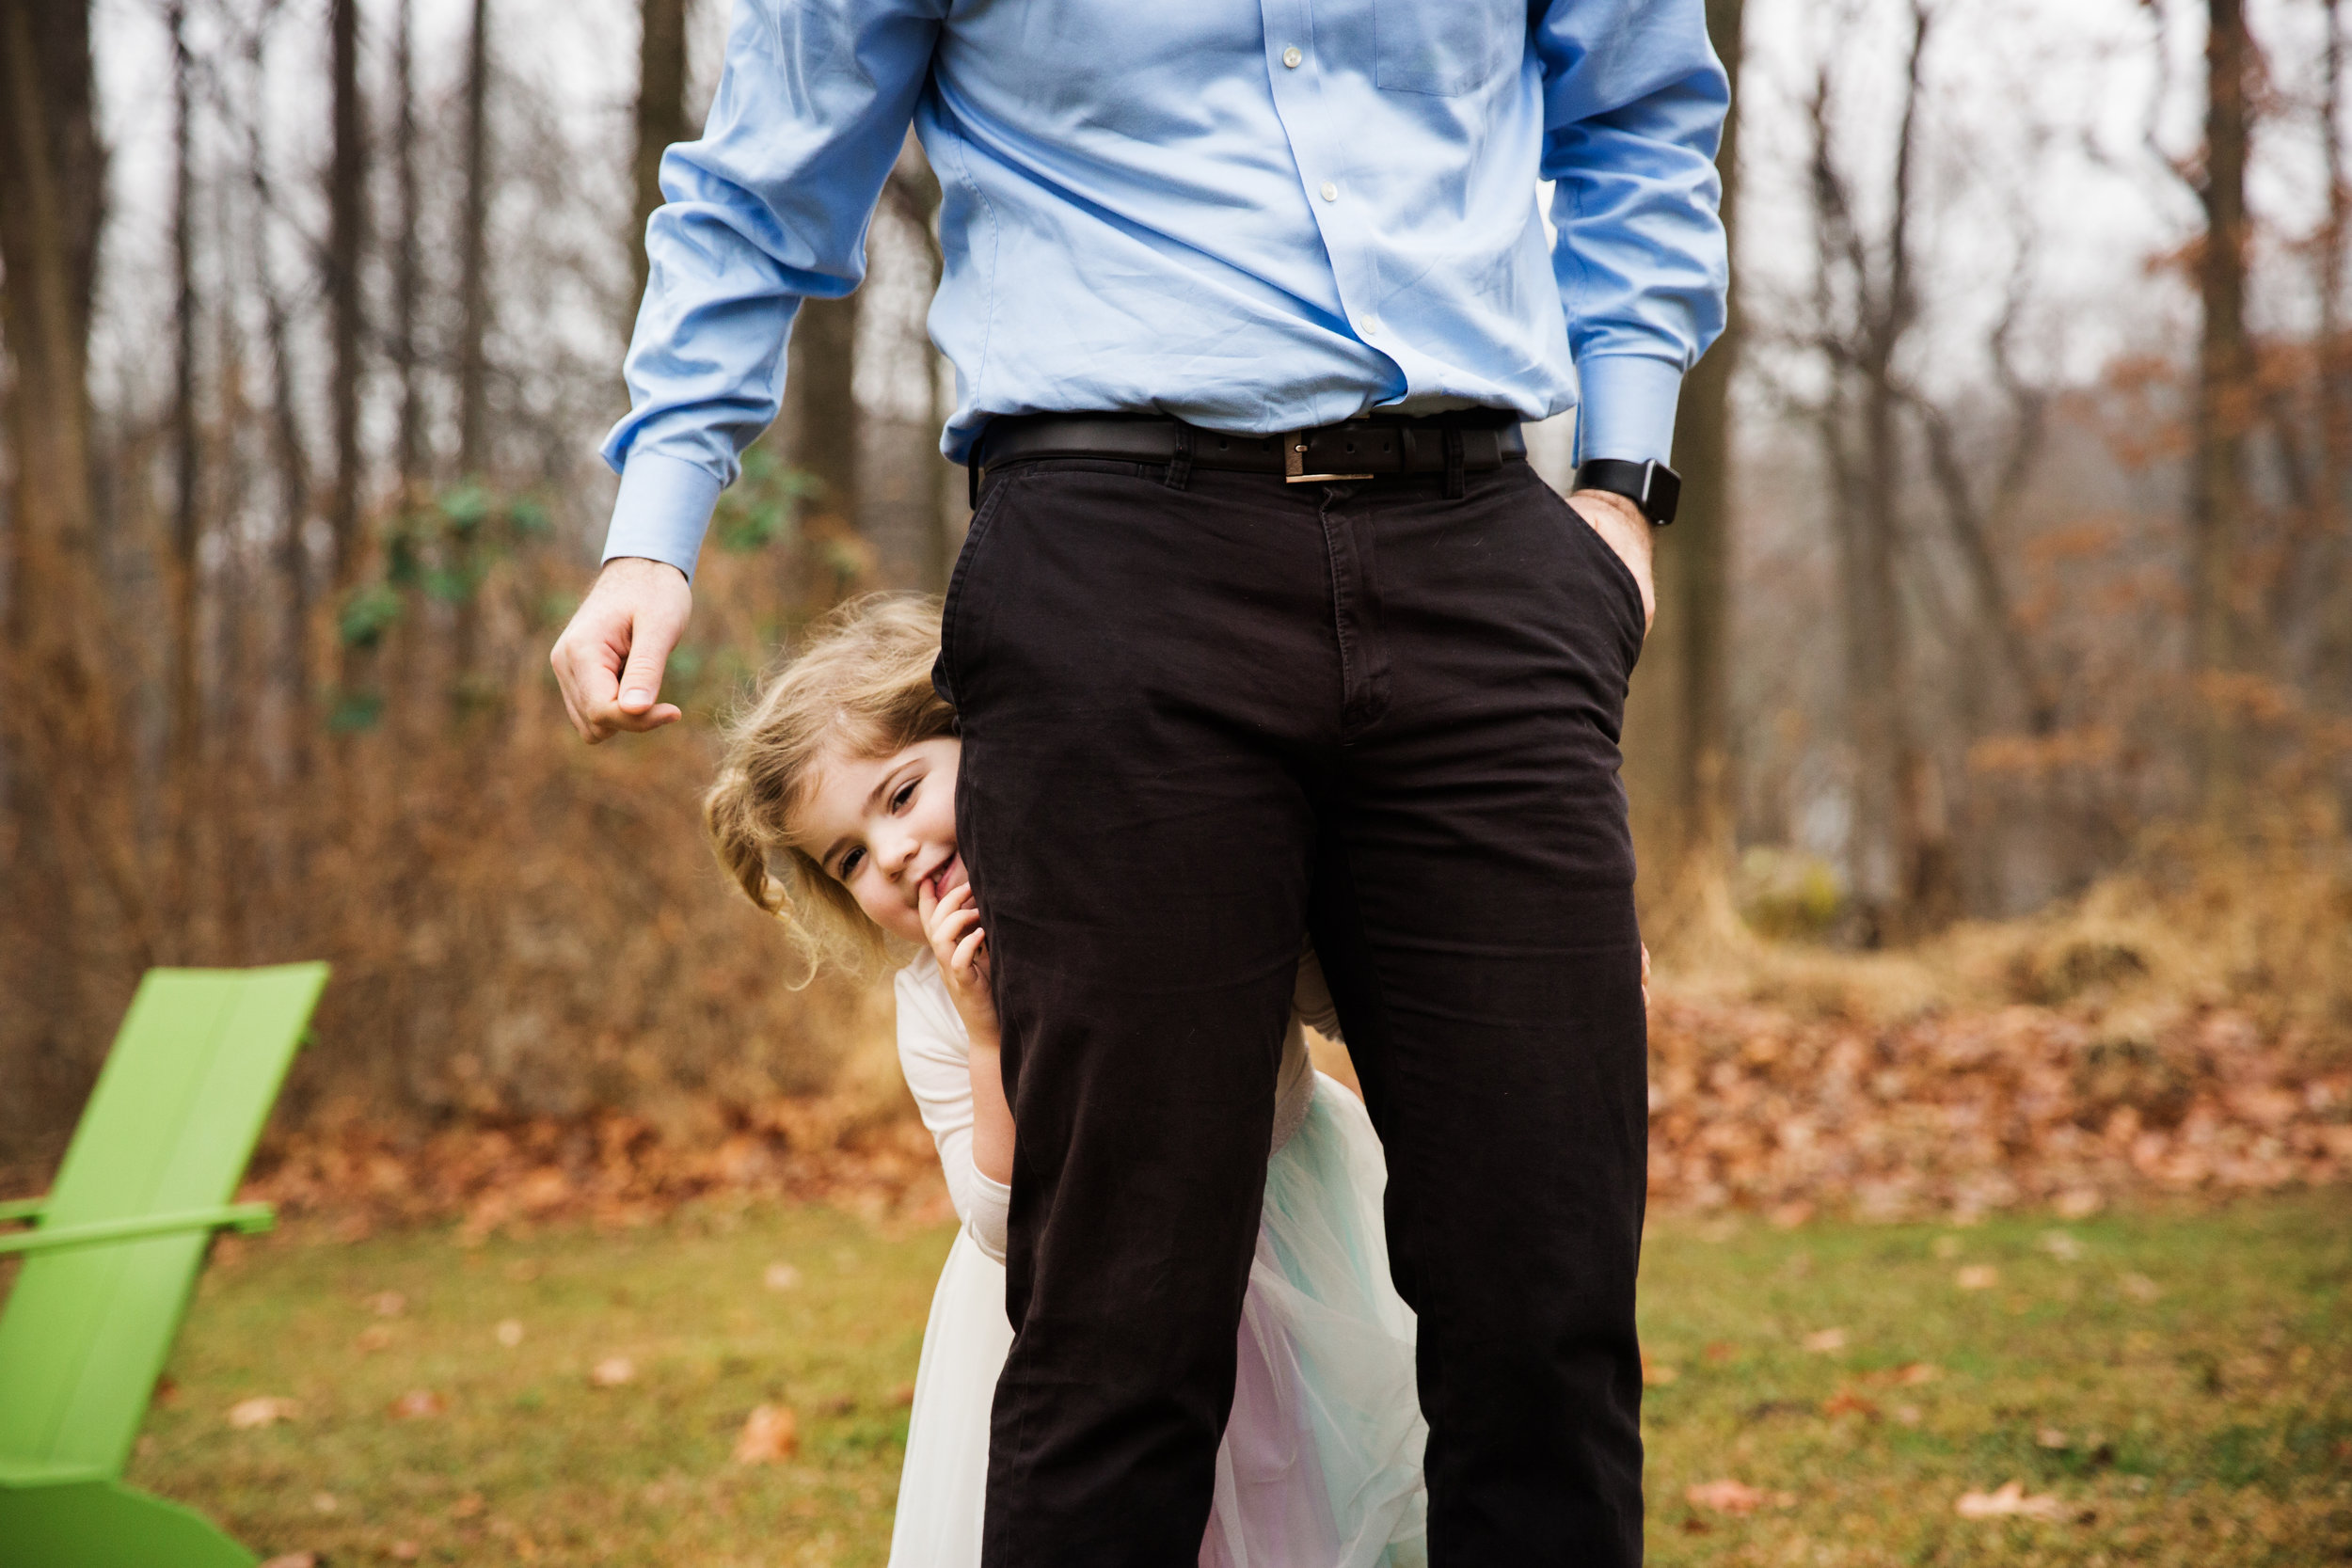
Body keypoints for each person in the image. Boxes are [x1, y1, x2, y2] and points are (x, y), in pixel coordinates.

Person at [551, 6, 1727, 1560]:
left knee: (1547, 1322)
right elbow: (769, 166)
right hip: (1114, 555)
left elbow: (1640, 106)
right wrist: (656, 518)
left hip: (1480, 547)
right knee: (1119, 1329)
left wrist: (1624, 484)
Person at [702, 594, 1430, 1568]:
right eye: (849, 857)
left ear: (981, 734)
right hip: (1078, 1289)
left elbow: (1348, 995)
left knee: (1307, 1507)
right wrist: (984, 1026)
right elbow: (1001, 1218)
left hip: (1281, 1233)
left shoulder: (1157, 856)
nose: (893, 852)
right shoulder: (932, 999)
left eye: (901, 793)